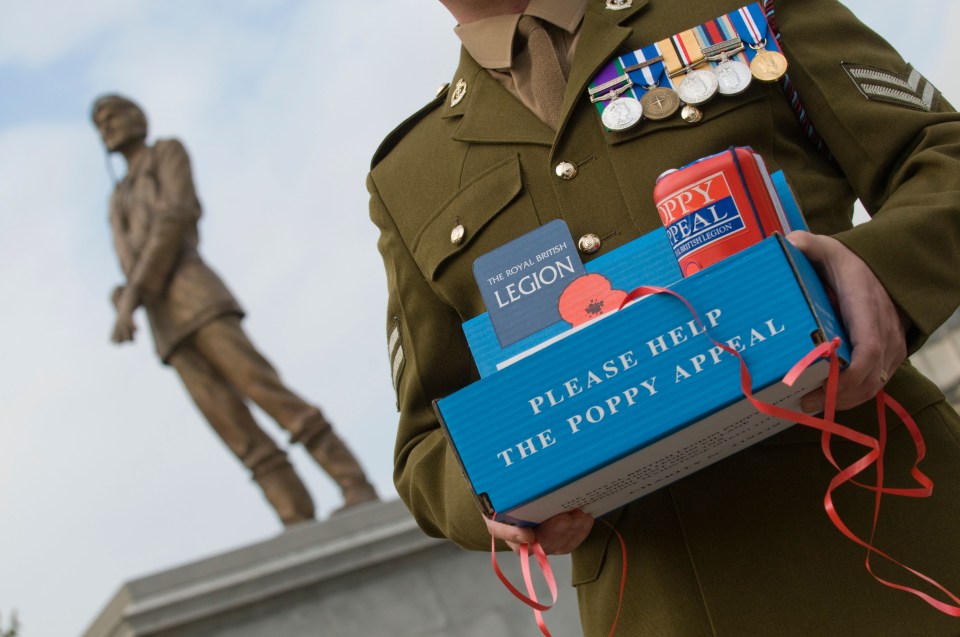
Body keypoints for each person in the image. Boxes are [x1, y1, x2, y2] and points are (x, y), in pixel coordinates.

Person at [369, 1, 960, 635]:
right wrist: (496, 493)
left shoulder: (732, 6)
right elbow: (427, 441)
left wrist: (877, 273)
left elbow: (943, 157)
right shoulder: (407, 174)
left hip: (899, 532)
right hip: (662, 605)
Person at [92, 94, 378, 527]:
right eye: (100, 123)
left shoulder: (166, 153)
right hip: (164, 327)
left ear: (138, 116)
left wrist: (131, 296)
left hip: (197, 298)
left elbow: (174, 217)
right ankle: (293, 513)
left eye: (114, 115)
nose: (107, 126)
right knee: (231, 426)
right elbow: (127, 260)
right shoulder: (116, 200)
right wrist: (124, 296)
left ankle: (352, 480)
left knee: (266, 391)